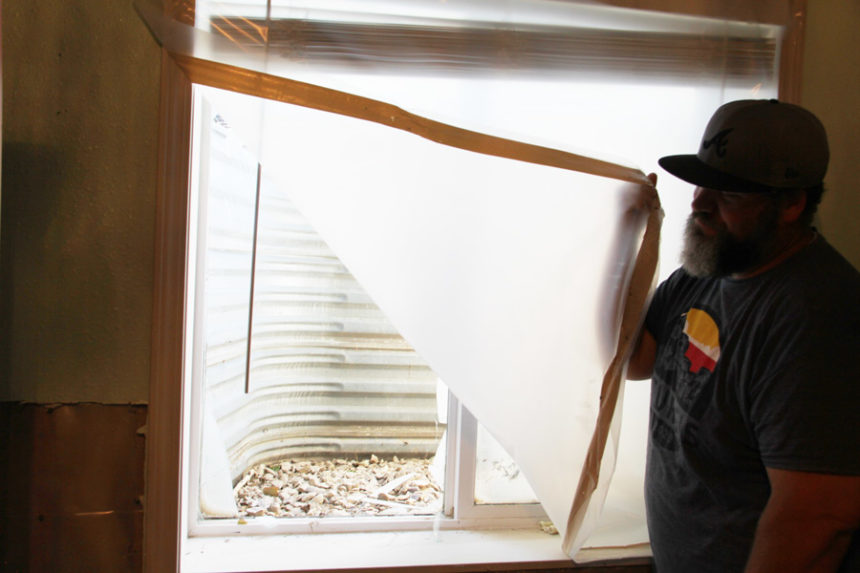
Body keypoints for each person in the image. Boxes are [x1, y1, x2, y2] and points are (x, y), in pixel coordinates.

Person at [627, 99, 860, 572]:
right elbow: (635, 362)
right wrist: (627, 238)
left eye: (728, 194)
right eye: (701, 182)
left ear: (793, 203)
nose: (699, 204)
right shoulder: (712, 261)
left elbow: (819, 515)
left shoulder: (819, 317)